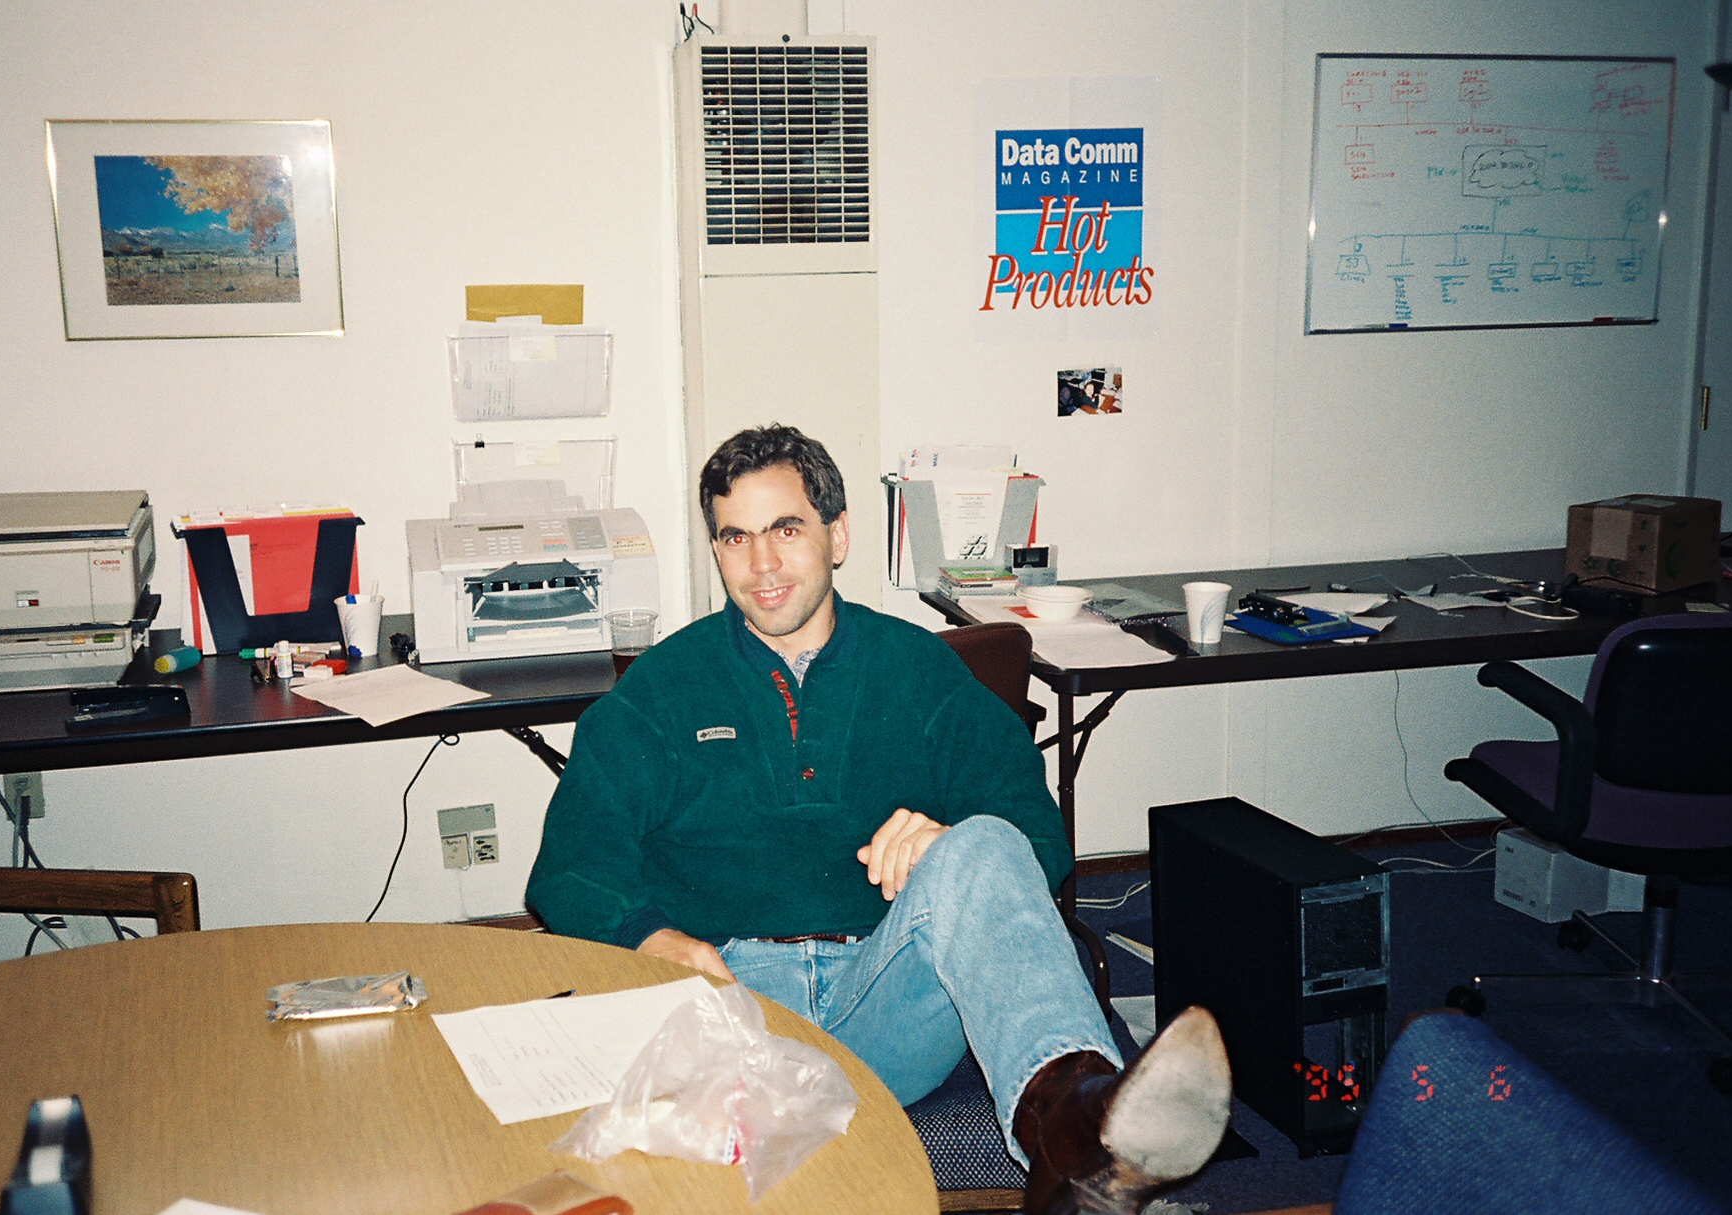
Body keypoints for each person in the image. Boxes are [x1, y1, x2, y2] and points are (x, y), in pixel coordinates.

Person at [527, 425, 1230, 1214]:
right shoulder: (662, 688)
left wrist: (947, 841)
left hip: (890, 993)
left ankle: (1074, 1130)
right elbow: (571, 863)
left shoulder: (920, 669)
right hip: (736, 1010)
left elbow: (1035, 829)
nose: (761, 564)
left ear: (838, 534)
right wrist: (655, 939)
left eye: (786, 529)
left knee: (986, 840)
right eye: (736, 537)